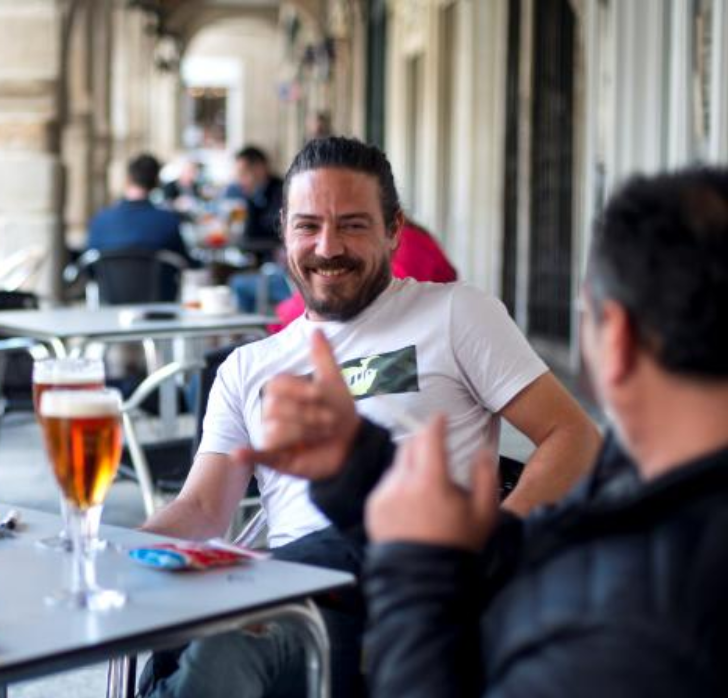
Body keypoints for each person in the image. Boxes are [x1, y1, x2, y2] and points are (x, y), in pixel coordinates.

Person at [139, 136, 600, 698]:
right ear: (284, 230)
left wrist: (493, 541)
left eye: (353, 225)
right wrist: (104, 555)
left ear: (394, 230)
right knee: (169, 640)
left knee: (227, 643)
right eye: (308, 225)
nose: (328, 246)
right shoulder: (247, 366)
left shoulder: (455, 313)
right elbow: (202, 508)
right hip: (293, 581)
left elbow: (573, 435)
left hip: (411, 578)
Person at [254, 167, 728, 695]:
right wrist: (358, 473)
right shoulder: (640, 488)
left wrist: (416, 588)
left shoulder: (624, 630)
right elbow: (533, 556)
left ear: (616, 337)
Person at [273, 219, 457, 329]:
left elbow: (379, 303)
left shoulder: (405, 245)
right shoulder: (405, 238)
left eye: (355, 224)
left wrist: (281, 319)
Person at [87, 153, 193, 266]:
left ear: (128, 179)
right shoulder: (167, 221)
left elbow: (90, 265)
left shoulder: (101, 221)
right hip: (156, 283)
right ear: (156, 182)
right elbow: (185, 262)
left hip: (110, 283)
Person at [224, 146, 291, 312]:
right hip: (265, 265)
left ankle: (251, 333)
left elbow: (275, 232)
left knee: (237, 284)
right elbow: (249, 234)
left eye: (243, 173)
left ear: (260, 168)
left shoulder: (283, 193)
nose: (240, 180)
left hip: (286, 276)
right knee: (223, 274)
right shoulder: (254, 196)